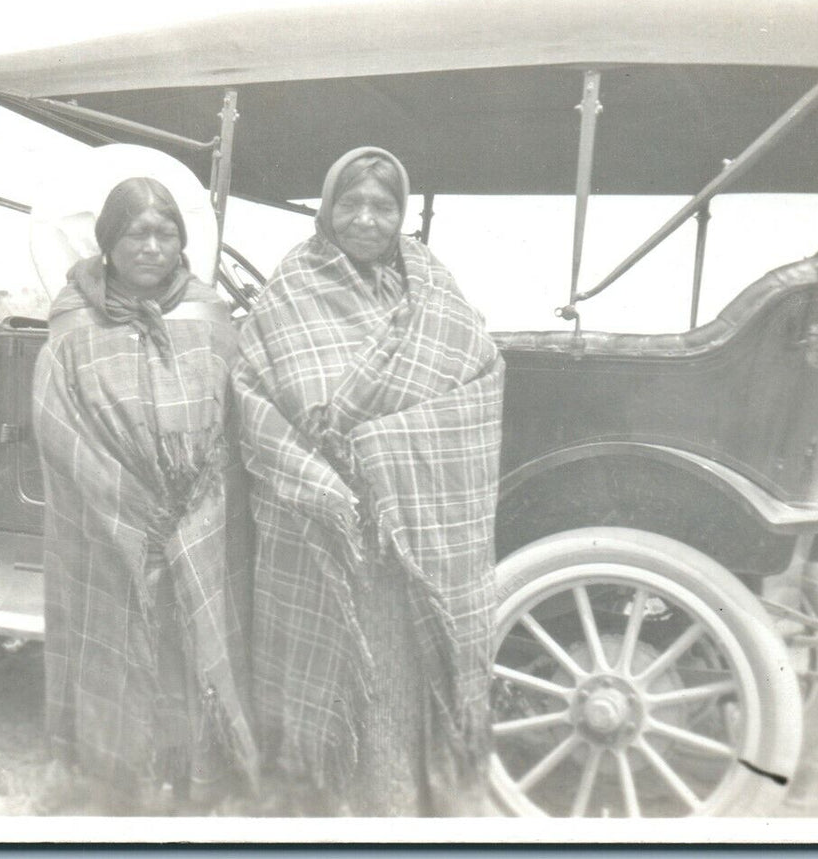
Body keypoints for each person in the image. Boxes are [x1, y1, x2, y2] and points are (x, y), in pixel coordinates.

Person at [233, 148, 504, 816]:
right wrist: (324, 483)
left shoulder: (430, 286)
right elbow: (253, 395)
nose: (365, 219)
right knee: (329, 686)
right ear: (325, 210)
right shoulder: (291, 286)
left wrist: (379, 447)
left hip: (406, 533)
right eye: (349, 204)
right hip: (323, 529)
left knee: (400, 682)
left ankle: (401, 808)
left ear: (400, 213)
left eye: (381, 206)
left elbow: (478, 376)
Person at [32, 177, 257, 813]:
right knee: (120, 641)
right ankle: (122, 780)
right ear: (108, 243)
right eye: (137, 233)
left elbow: (237, 418)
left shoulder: (209, 316)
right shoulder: (73, 322)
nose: (153, 247)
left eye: (166, 234)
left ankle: (198, 778)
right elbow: (60, 427)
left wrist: (198, 505)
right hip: (110, 522)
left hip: (200, 517)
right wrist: (134, 511)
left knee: (191, 646)